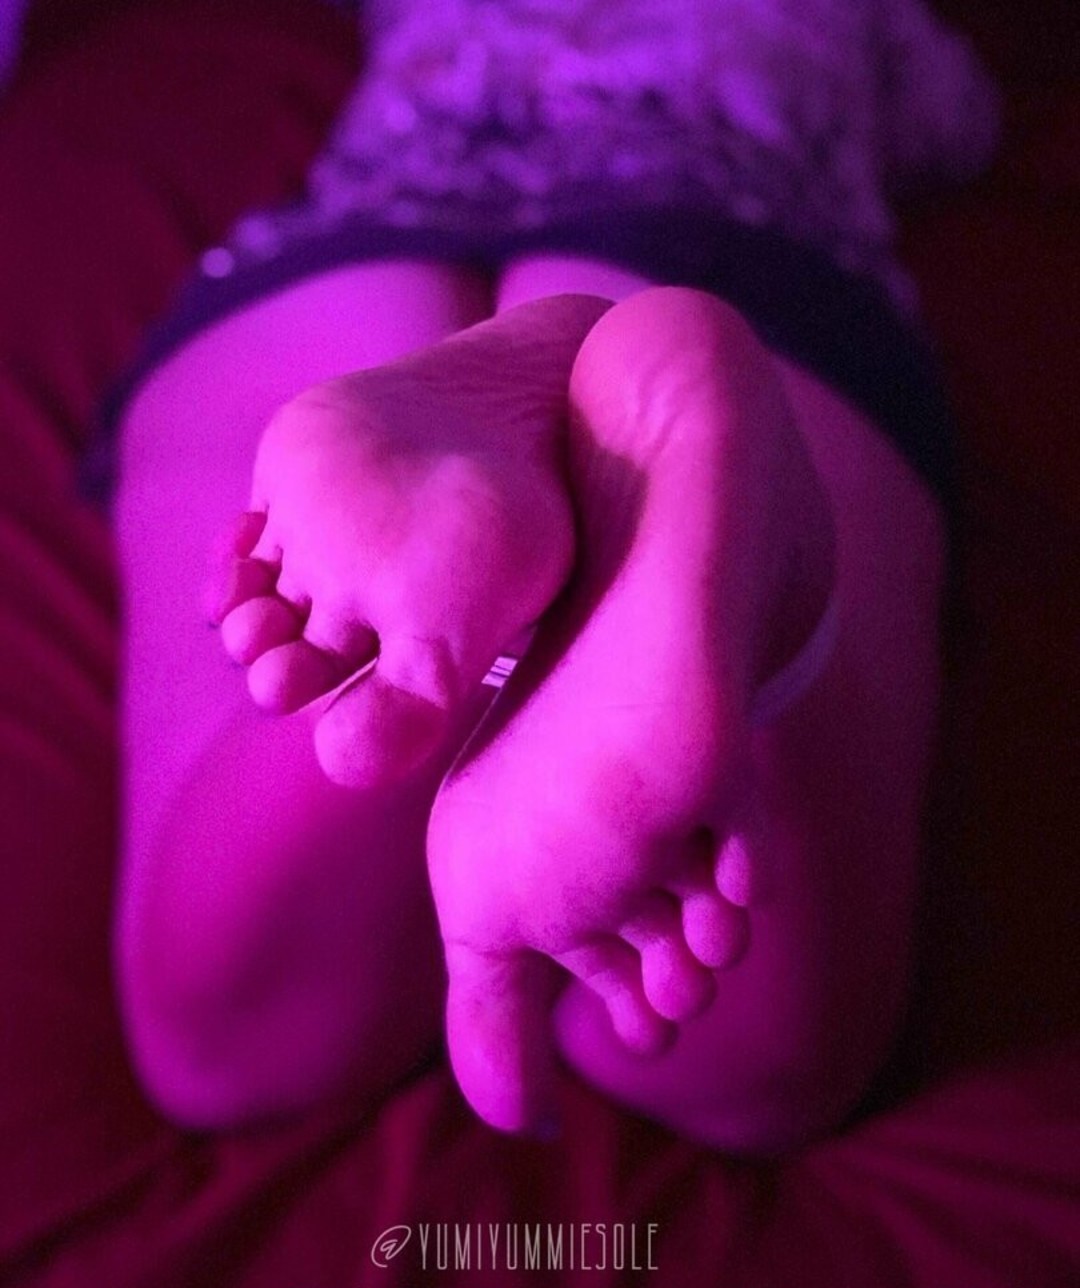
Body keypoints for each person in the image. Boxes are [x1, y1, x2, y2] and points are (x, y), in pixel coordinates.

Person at [83, 0, 998, 1151]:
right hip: (728, 233)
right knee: (754, 1079)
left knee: (216, 1048)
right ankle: (737, 588)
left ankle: (435, 641)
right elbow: (960, 124)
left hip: (362, 243)